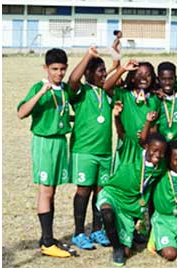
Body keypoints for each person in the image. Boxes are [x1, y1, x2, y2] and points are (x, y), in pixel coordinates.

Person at [16, 48, 75, 258]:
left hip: (60, 141)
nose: (58, 73)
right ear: (46, 68)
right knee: (45, 191)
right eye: (54, 69)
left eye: (62, 69)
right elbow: (21, 113)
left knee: (53, 191)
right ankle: (47, 242)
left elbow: (61, 114)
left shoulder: (66, 89)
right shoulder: (39, 87)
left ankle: (47, 236)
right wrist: (41, 92)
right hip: (44, 143)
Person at [66, 47, 112, 250]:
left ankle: (97, 229)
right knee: (83, 191)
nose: (104, 74)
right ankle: (78, 233)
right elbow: (73, 80)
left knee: (100, 192)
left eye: (105, 70)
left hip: (105, 152)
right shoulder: (80, 91)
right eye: (100, 71)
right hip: (84, 150)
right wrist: (88, 56)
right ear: (88, 73)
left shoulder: (107, 92)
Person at [98, 133, 168, 265]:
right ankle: (116, 249)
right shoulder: (133, 154)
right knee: (107, 213)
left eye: (162, 152)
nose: (158, 155)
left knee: (127, 252)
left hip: (130, 206)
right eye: (154, 150)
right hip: (112, 194)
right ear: (146, 147)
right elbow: (124, 134)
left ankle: (127, 239)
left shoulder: (160, 166)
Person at [101, 59, 159, 166]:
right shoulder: (124, 95)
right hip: (126, 145)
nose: (143, 78)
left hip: (146, 147)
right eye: (139, 74)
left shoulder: (155, 99)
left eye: (148, 75)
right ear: (132, 78)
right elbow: (106, 87)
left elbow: (155, 125)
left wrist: (148, 135)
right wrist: (122, 69)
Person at [139, 61, 177, 142]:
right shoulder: (154, 98)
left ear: (175, 78)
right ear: (158, 79)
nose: (167, 83)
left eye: (170, 79)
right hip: (161, 146)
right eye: (163, 79)